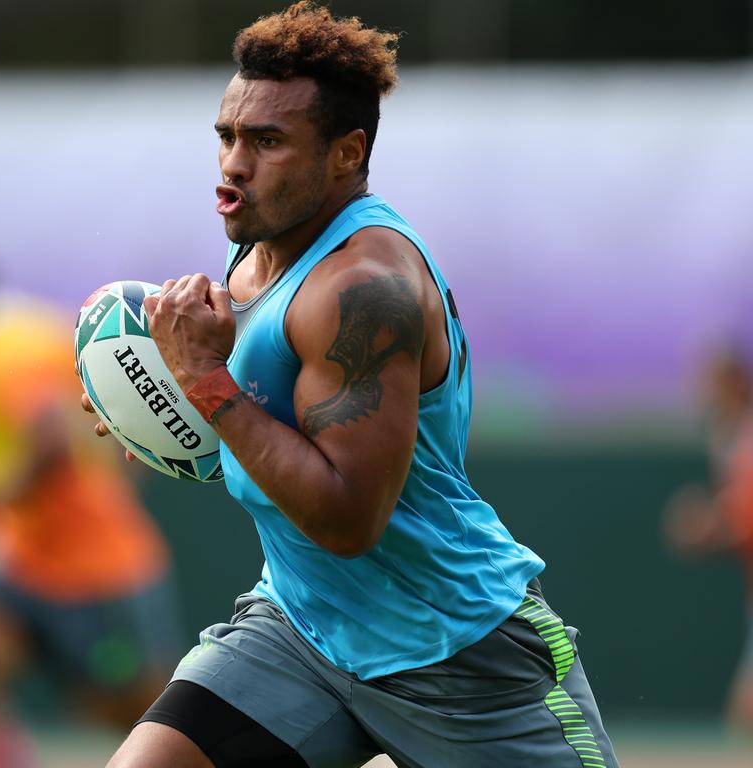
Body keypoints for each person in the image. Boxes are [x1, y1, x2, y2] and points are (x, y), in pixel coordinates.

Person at [83, 4, 620, 767]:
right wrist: (163, 400)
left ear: (347, 153)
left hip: (455, 651)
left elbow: (347, 520)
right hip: (302, 629)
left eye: (268, 142)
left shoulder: (366, 288)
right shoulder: (259, 251)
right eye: (228, 137)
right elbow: (268, 428)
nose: (234, 163)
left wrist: (203, 382)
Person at [0, 263, 178, 768]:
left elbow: (48, 442)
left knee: (141, 721)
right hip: (14, 555)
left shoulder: (7, 349)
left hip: (97, 568)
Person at [664, 346, 753, 732]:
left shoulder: (746, 440)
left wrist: (710, 524)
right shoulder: (726, 437)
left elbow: (742, 521)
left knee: (744, 712)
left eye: (714, 382)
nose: (706, 392)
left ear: (735, 383)